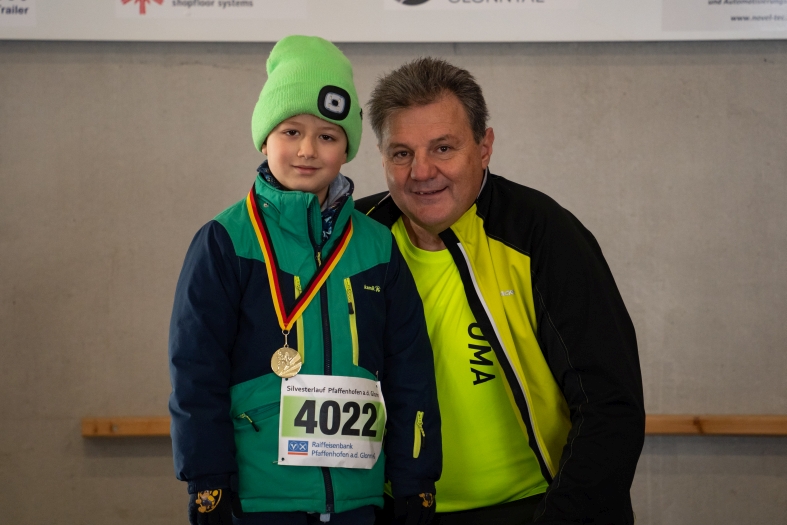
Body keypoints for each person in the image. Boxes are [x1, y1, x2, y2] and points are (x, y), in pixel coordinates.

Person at [357, 58, 645, 525]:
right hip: (388, 509)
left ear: (484, 147)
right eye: (401, 153)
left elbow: (610, 407)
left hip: (535, 507)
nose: (421, 171)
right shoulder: (353, 238)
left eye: (443, 148)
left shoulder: (544, 235)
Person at [168, 36, 441, 525]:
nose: (307, 150)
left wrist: (415, 479)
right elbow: (195, 370)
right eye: (291, 131)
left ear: (347, 148)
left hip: (359, 500)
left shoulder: (377, 246)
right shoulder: (226, 240)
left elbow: (410, 372)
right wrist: (207, 478)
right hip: (260, 500)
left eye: (328, 137)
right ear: (264, 138)